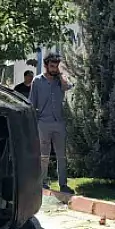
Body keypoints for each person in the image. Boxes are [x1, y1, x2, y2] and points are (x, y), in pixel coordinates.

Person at [30, 53, 75, 194]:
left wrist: (61, 75)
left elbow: (68, 87)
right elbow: (32, 102)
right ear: (46, 66)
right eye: (52, 66)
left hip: (59, 122)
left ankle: (63, 184)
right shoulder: (37, 81)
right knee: (44, 155)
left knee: (62, 155)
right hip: (43, 122)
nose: (54, 69)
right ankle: (42, 182)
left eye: (56, 66)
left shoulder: (60, 80)